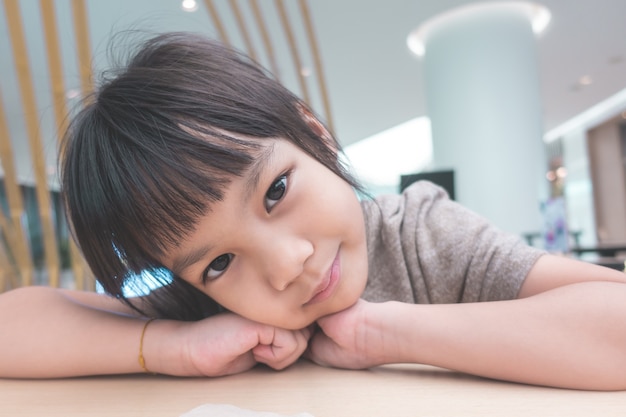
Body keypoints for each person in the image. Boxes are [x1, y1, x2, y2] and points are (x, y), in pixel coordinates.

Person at [1, 31, 625, 390]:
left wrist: (388, 334)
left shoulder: (421, 235)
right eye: (218, 262)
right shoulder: (212, 311)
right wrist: (172, 347)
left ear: (314, 134)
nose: (286, 266)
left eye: (275, 191)